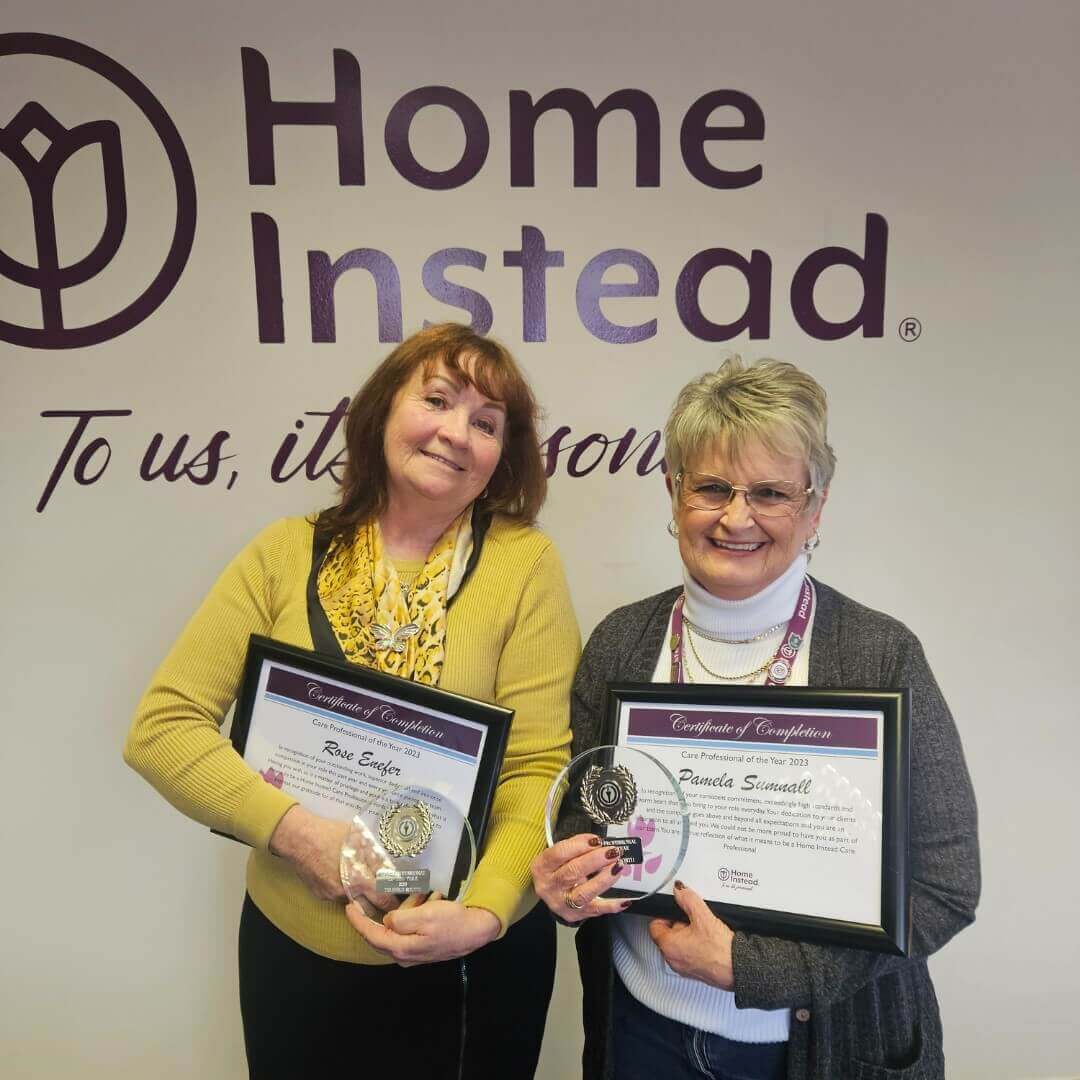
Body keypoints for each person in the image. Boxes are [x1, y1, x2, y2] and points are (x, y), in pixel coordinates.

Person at [124, 323, 580, 1079]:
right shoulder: (282, 551)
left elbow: (536, 768)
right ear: (381, 411)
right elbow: (162, 728)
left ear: (504, 455)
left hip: (467, 962)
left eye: (487, 422)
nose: (456, 433)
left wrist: (482, 913)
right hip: (296, 955)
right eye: (437, 400)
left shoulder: (525, 564)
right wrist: (299, 835)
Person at [531, 357, 979, 1080]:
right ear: (675, 493)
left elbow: (944, 884)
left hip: (823, 1051)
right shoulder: (620, 642)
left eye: (770, 492)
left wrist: (761, 968)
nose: (736, 517)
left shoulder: (880, 654)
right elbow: (589, 830)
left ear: (814, 509)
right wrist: (565, 884)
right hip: (642, 1037)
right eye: (711, 487)